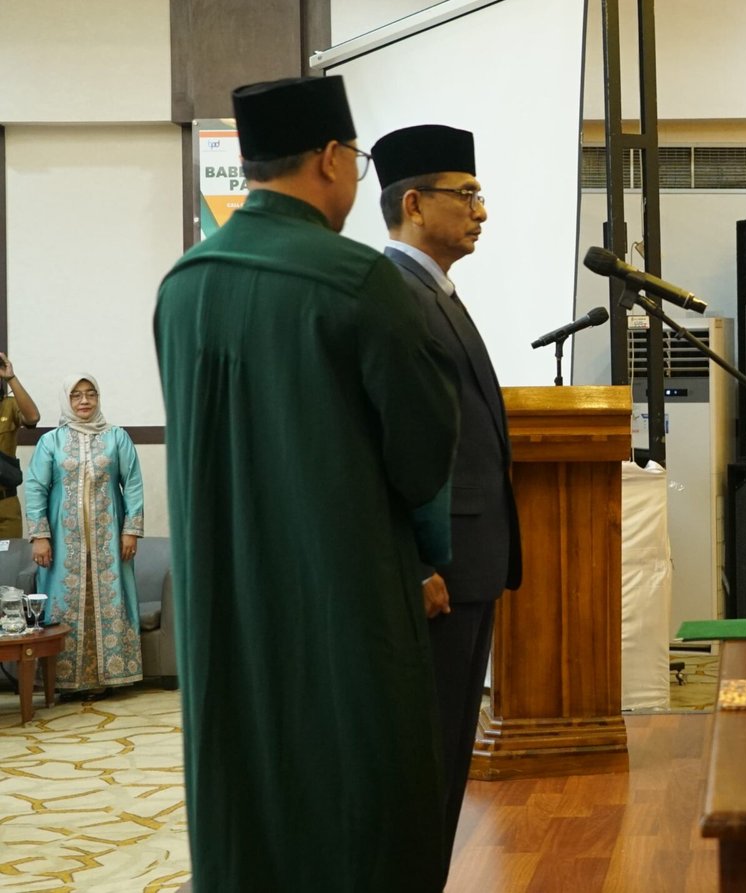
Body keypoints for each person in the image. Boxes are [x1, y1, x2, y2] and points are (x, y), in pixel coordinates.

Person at [154, 76, 461, 893]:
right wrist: (429, 557)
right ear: (329, 157)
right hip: (344, 602)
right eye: (356, 161)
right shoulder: (357, 279)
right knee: (365, 803)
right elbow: (423, 455)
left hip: (226, 609)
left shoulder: (182, 286)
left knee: (247, 796)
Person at [374, 123, 521, 869]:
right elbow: (390, 452)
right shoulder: (393, 295)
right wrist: (416, 562)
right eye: (465, 195)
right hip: (437, 572)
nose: (481, 211)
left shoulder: (437, 291)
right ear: (413, 202)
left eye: (479, 194)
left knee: (448, 763)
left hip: (471, 563)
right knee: (423, 766)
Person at [24, 375, 144, 697]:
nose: (84, 401)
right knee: (64, 602)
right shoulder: (52, 442)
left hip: (108, 540)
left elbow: (132, 484)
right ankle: (65, 680)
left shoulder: (117, 438)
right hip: (65, 542)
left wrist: (131, 531)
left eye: (91, 394)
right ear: (68, 401)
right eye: (76, 396)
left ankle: (109, 676)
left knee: (109, 598)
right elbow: (35, 487)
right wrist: (39, 536)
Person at [0, 353, 41, 550]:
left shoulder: (8, 406)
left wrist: (11, 378)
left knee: (7, 565)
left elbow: (32, 417)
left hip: (5, 503)